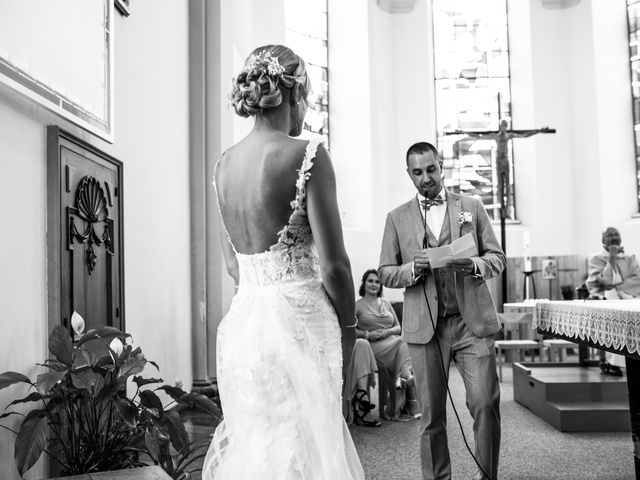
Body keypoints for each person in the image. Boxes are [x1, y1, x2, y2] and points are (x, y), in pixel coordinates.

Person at [203, 45, 364, 479]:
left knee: (261, 450)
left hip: (244, 331)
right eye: (307, 99)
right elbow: (334, 268)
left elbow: (235, 269)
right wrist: (349, 334)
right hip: (298, 327)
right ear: (293, 94)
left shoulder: (223, 165)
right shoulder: (307, 154)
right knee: (306, 452)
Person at [378, 141, 505, 480]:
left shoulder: (472, 207)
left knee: (484, 403)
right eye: (417, 172)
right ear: (409, 174)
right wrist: (412, 270)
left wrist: (474, 264)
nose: (426, 178)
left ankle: (485, 476)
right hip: (425, 328)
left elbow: (497, 258)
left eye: (431, 169)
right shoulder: (396, 218)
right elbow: (386, 272)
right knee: (431, 415)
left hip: (471, 322)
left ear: (441, 166)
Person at [354, 269, 421, 420]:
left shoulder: (385, 303)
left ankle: (403, 376)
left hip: (391, 341)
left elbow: (398, 327)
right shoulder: (357, 305)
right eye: (370, 281)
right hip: (371, 346)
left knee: (403, 340)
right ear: (364, 283)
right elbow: (351, 331)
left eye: (377, 281)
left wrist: (386, 333)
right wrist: (367, 334)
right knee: (402, 344)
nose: (374, 284)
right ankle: (405, 376)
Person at [586, 227, 640, 376]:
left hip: (631, 298)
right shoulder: (596, 259)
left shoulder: (630, 258)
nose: (614, 237)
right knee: (619, 325)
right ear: (603, 240)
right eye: (610, 235)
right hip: (606, 299)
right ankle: (612, 363)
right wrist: (612, 259)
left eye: (617, 234)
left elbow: (638, 279)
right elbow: (603, 281)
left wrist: (617, 287)